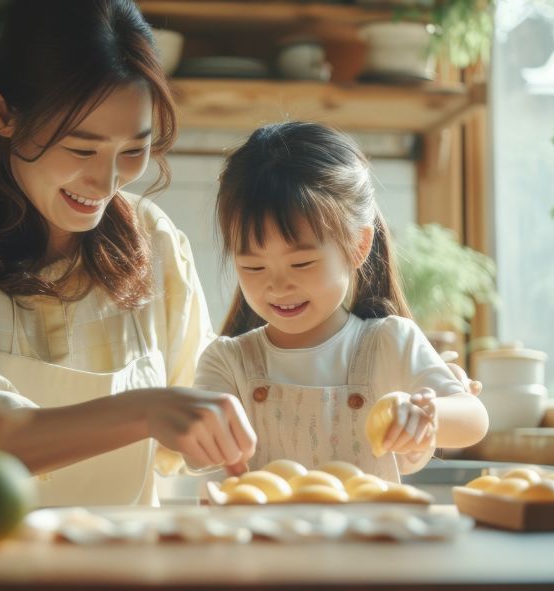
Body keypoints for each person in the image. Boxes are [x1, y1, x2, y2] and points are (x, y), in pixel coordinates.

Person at [0, 0, 256, 507]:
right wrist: (147, 410)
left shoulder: (151, 236)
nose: (107, 181)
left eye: (133, 150)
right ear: (5, 115)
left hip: (123, 573)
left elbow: (193, 422)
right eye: (81, 148)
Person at [194, 122, 489, 480]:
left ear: (358, 246)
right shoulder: (227, 363)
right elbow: (194, 459)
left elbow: (474, 419)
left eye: (301, 263)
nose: (277, 286)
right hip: (263, 537)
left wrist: (427, 415)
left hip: (370, 535)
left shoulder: (389, 343)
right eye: (253, 266)